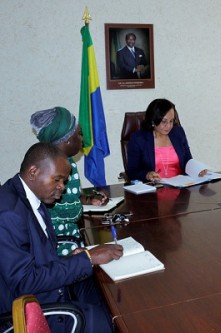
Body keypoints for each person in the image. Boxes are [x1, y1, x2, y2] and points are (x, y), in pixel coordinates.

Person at [0, 142, 123, 333]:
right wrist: (87, 258)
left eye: (64, 181)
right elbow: (24, 282)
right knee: (109, 319)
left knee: (109, 295)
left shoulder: (32, 197)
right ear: (33, 172)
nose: (62, 188)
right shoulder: (9, 213)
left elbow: (38, 259)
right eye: (57, 179)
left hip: (48, 291)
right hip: (32, 311)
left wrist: (71, 258)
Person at [30, 107, 108, 256]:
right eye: (79, 134)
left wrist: (89, 199)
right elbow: (71, 212)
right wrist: (77, 208)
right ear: (66, 140)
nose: (82, 139)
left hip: (67, 235)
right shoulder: (56, 167)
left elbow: (69, 197)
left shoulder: (65, 161)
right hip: (58, 244)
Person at [127, 98, 206, 182]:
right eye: (164, 121)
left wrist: (197, 169)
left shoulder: (178, 133)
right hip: (154, 189)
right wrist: (147, 174)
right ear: (153, 120)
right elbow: (132, 171)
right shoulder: (139, 139)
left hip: (180, 186)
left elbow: (188, 160)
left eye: (171, 121)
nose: (168, 126)